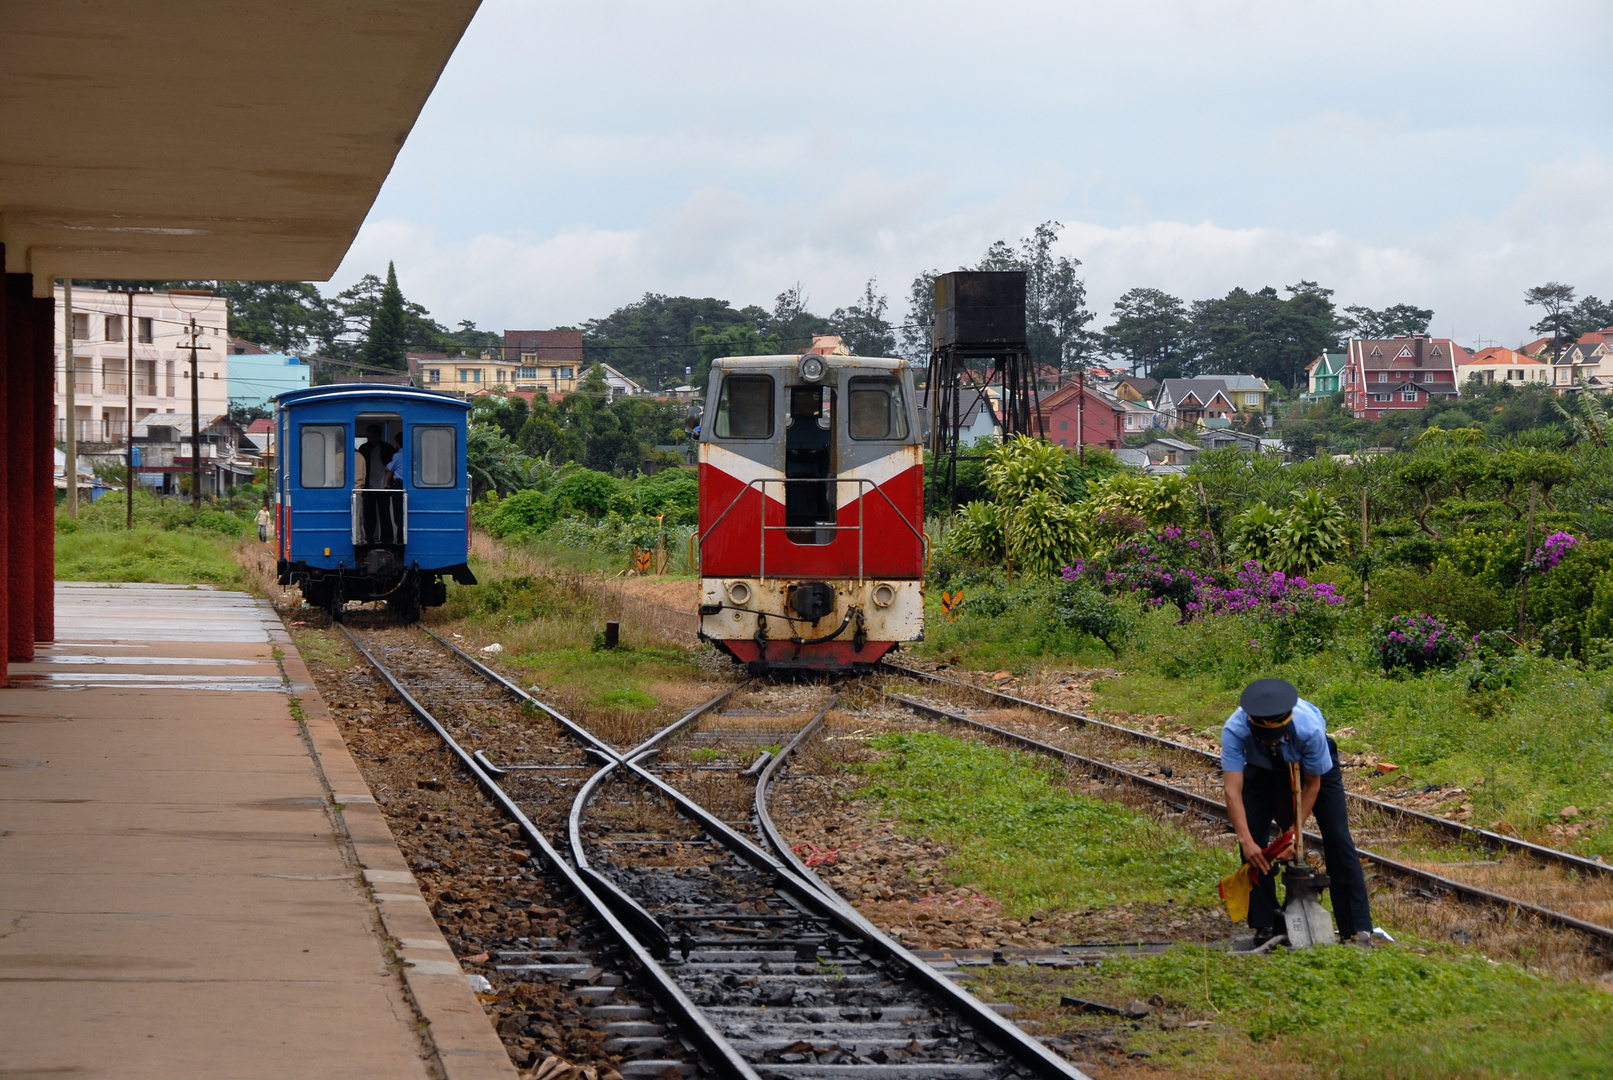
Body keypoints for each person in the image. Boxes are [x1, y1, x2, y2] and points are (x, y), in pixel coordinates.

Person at [1222, 677, 1372, 945]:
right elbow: (1232, 790)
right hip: (1261, 768)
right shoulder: (1235, 729)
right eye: (1265, 738)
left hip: (1313, 767)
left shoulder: (1309, 729)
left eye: (1277, 738)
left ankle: (1357, 927)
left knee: (1337, 835)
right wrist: (1246, 841)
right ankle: (1265, 923)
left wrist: (1293, 834)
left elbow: (1313, 785)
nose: (1272, 742)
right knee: (1253, 837)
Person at [357, 424, 395, 543]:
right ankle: (369, 538)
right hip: (368, 487)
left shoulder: (388, 448)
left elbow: (392, 467)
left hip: (384, 487)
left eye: (369, 433)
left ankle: (387, 539)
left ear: (375, 435)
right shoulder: (364, 449)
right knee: (369, 515)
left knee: (385, 514)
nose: (367, 436)